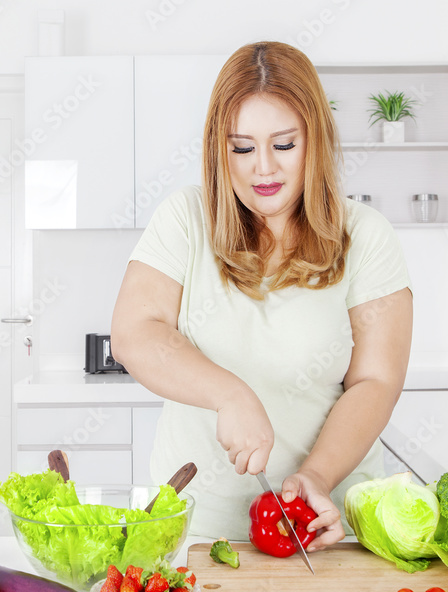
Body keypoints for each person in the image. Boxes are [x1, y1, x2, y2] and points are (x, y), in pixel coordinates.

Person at [110, 41, 413, 550]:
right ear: (218, 149)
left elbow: (375, 381)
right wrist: (229, 394)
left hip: (320, 522)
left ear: (315, 140)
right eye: (243, 148)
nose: (264, 169)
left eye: (285, 145)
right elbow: (135, 333)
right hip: (199, 527)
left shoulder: (368, 236)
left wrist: (316, 477)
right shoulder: (184, 219)